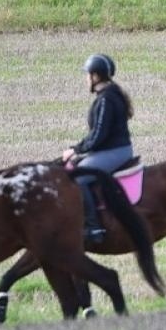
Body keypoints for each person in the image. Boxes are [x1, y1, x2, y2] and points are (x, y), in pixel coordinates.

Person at [60, 53, 134, 244]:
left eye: (88, 75)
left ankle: (93, 228)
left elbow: (99, 135)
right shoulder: (108, 95)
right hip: (109, 149)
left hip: (114, 152)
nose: (86, 79)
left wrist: (75, 150)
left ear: (96, 76)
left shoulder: (106, 99)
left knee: (78, 178)